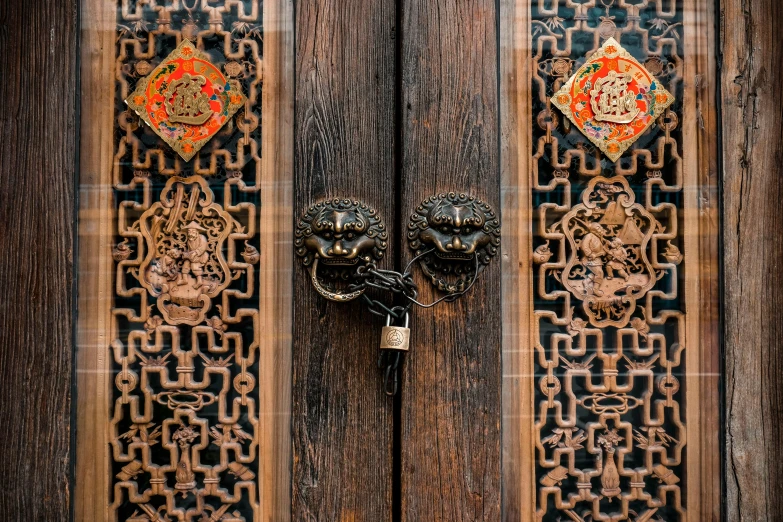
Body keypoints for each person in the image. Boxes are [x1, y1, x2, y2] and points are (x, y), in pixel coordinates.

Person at [179, 222, 209, 289]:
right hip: (192, 256)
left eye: (192, 231)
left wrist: (195, 253)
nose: (190, 233)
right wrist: (186, 254)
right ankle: (185, 280)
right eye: (189, 231)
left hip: (200, 255)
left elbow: (203, 247)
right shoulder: (189, 240)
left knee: (194, 266)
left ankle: (199, 281)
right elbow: (189, 249)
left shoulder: (202, 237)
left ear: (197, 232)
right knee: (186, 264)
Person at [580, 222, 606, 297]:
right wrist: (589, 254)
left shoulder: (599, 237)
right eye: (598, 227)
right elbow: (584, 246)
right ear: (593, 229)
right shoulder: (589, 236)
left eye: (600, 227)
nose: (600, 228)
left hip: (597, 259)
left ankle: (586, 282)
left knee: (596, 273)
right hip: (590, 259)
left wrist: (602, 252)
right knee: (599, 273)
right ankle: (595, 290)